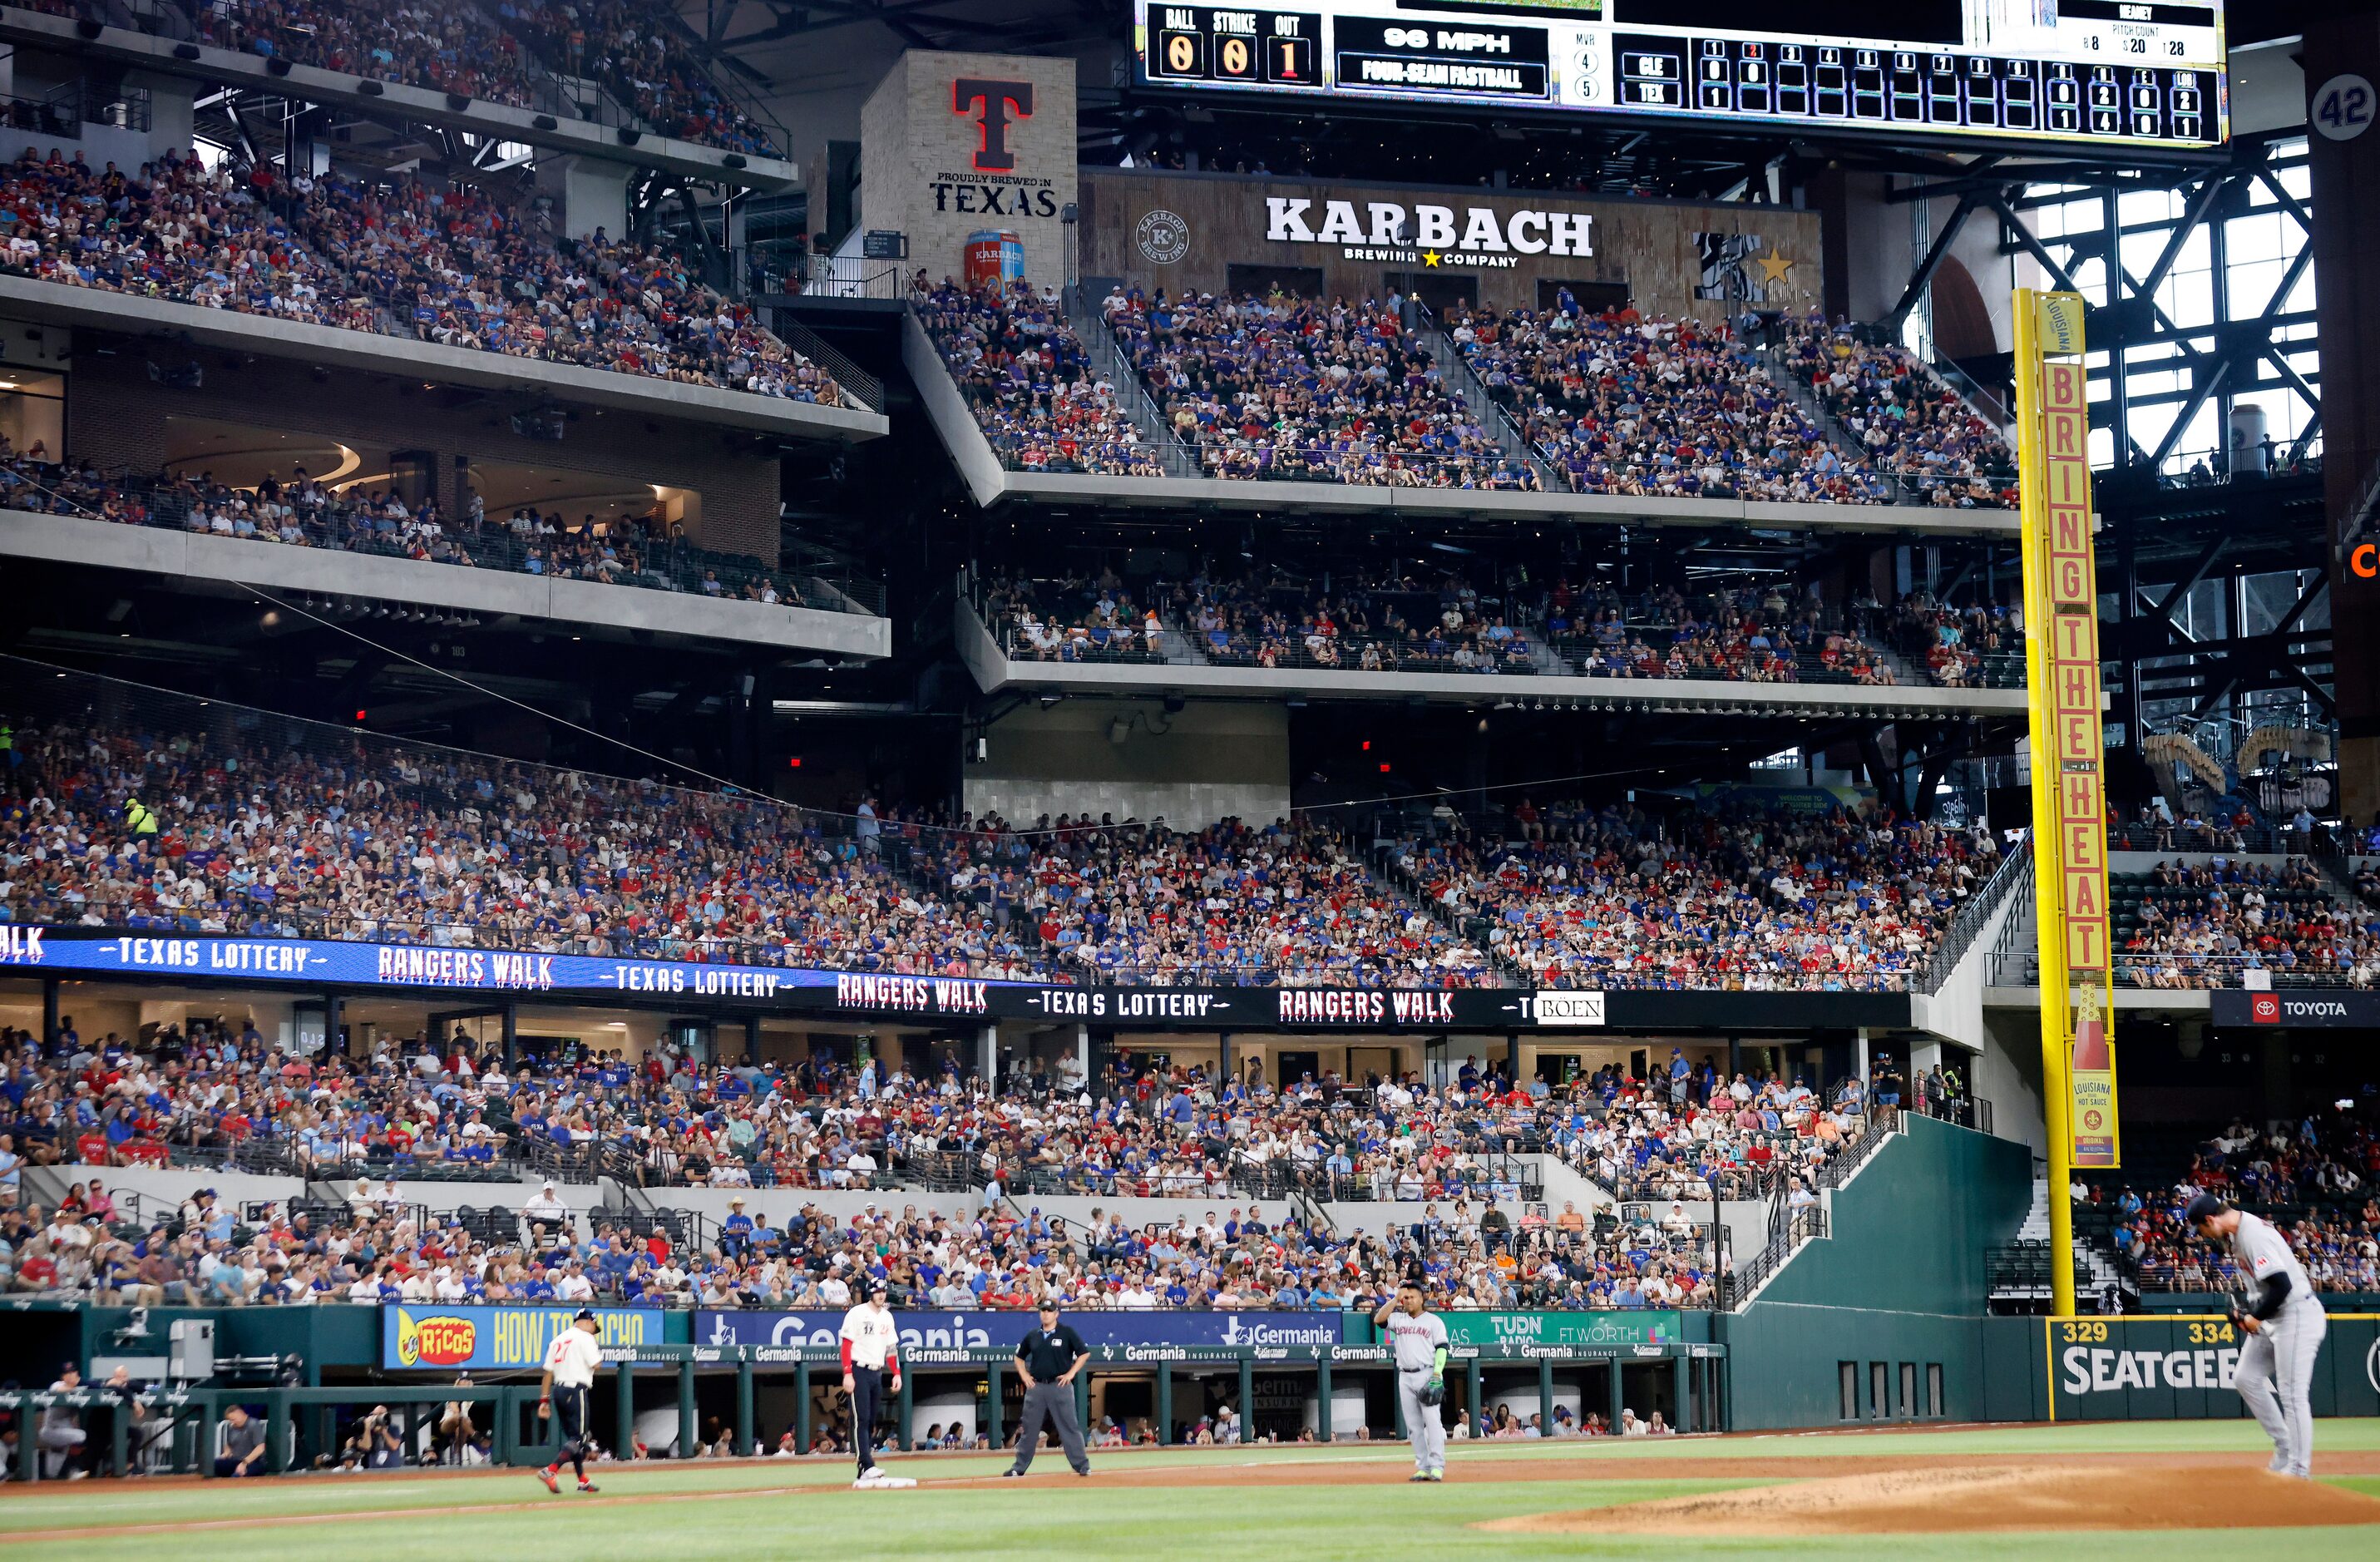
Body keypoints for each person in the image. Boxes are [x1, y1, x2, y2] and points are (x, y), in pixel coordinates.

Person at [2186, 1193, 2326, 1478]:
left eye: (2201, 1229)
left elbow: (2282, 1285)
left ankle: (2299, 1470)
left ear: (2211, 1219)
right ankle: (2286, 1448)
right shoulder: (2236, 1236)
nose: (2202, 1235)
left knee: (2292, 1393)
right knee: (2245, 1377)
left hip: (2297, 1313)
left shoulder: (2252, 1236)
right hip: (2275, 1317)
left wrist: (2254, 1317)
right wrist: (2246, 1314)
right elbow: (2265, 1289)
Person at [1004, 1299, 1091, 1478]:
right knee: (1029, 1428)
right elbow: (1019, 1357)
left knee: (1069, 1426)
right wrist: (1025, 1376)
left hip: (1060, 1385)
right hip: (1037, 1386)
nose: (1045, 1313)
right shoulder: (1033, 1335)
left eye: (1049, 1311)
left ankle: (1082, 1465)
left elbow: (1084, 1353)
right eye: (1042, 1310)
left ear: (1056, 1314)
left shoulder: (1066, 1333)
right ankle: (1018, 1467)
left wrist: (1071, 1373)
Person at [1374, 1278, 1449, 1482]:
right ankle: (1423, 1466)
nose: (1407, 1300)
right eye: (1405, 1297)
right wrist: (1395, 1299)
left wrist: (1437, 1373)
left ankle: (1437, 1466)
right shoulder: (1399, 1318)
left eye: (1410, 1297)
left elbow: (1442, 1348)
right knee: (1414, 1426)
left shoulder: (1434, 1321)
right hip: (1404, 1376)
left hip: (1426, 1373)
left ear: (1421, 1298)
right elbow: (1378, 1320)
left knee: (1432, 1421)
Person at [839, 1281, 906, 1487]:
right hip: (859, 1368)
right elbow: (846, 1346)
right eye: (877, 1292)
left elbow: (891, 1348)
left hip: (877, 1371)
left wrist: (896, 1373)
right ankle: (866, 1463)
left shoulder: (887, 1316)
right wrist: (847, 1373)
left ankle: (864, 1467)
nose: (881, 1295)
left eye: (883, 1292)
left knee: (870, 1421)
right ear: (870, 1293)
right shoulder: (857, 1313)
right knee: (862, 1418)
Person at [535, 1307, 604, 1494]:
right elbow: (596, 1364)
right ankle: (551, 1470)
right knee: (579, 1438)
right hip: (576, 1388)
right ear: (589, 1322)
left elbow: (548, 1372)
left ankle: (582, 1480)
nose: (593, 1331)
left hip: (558, 1390)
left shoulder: (558, 1339)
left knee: (575, 1439)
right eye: (593, 1327)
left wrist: (544, 1400)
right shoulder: (585, 1337)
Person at [215, 1402, 266, 1477]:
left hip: (253, 1462)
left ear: (240, 1414)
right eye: (230, 1420)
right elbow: (229, 1445)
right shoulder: (232, 1427)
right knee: (215, 1465)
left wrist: (244, 1463)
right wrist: (226, 1453)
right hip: (235, 1461)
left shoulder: (254, 1424)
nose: (232, 1422)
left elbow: (260, 1448)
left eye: (233, 1419)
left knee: (237, 1476)